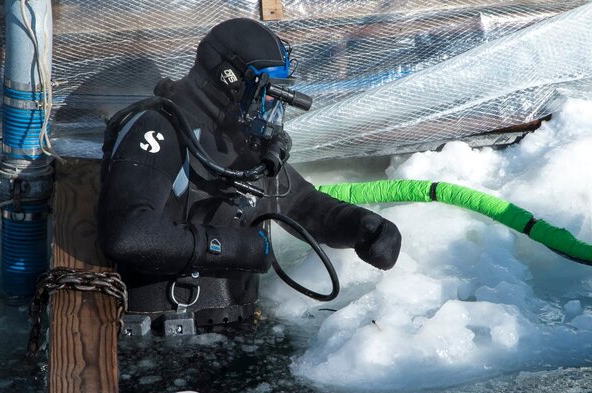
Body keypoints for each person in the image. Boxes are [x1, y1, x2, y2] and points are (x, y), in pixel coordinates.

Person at [97, 18, 401, 334]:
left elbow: (302, 204)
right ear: (230, 79)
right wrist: (240, 248)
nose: (271, 109)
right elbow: (126, 235)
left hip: (235, 333)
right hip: (165, 340)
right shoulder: (158, 126)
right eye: (267, 95)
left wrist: (363, 227)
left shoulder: (244, 141)